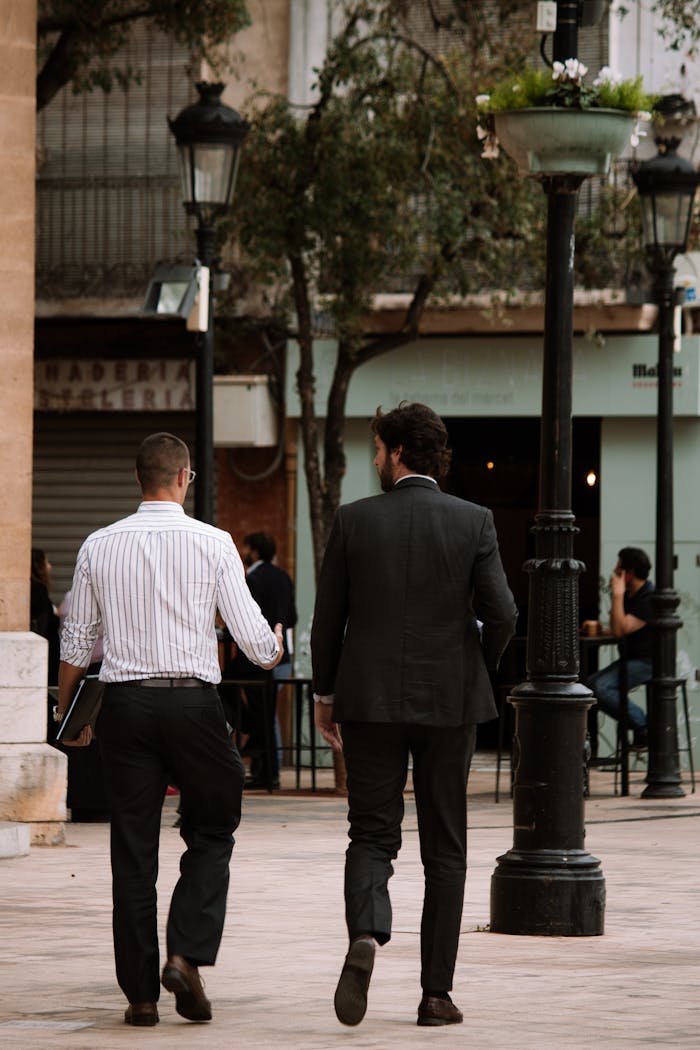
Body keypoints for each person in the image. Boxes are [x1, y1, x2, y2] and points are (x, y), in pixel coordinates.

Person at [57, 432, 283, 1028]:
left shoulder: (98, 545)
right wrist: (274, 642)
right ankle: (185, 952)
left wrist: (67, 713)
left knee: (132, 849)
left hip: (125, 708)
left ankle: (139, 996)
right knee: (213, 827)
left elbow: (77, 642)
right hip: (194, 706)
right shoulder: (213, 543)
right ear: (185, 478)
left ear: (139, 480)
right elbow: (257, 645)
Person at [311, 402, 517, 1028]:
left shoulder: (353, 521)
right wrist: (472, 663)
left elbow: (328, 622)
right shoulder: (473, 521)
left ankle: (367, 934)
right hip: (449, 703)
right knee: (445, 848)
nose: (374, 459)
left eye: (376, 449)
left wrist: (325, 696)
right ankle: (435, 995)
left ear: (398, 451)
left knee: (371, 833)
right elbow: (504, 613)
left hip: (369, 702)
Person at [227, 532, 297, 788]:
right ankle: (268, 770)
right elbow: (292, 617)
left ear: (254, 551)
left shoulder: (252, 579)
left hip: (256, 658)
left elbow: (246, 620)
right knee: (269, 714)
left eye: (246, 548)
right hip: (282, 655)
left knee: (260, 713)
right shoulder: (283, 577)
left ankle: (261, 759)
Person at [588, 547, 654, 749]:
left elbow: (621, 629)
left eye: (618, 568)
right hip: (630, 659)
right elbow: (618, 628)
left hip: (647, 663)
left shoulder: (648, 597)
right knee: (589, 686)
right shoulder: (630, 595)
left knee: (600, 687)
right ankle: (592, 744)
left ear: (629, 573)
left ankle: (644, 727)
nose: (614, 572)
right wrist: (599, 630)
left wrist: (617, 594)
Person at [30, 548, 61, 738]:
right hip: (45, 662)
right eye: (47, 562)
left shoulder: (33, 590)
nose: (50, 567)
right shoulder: (38, 590)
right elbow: (40, 629)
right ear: (38, 566)